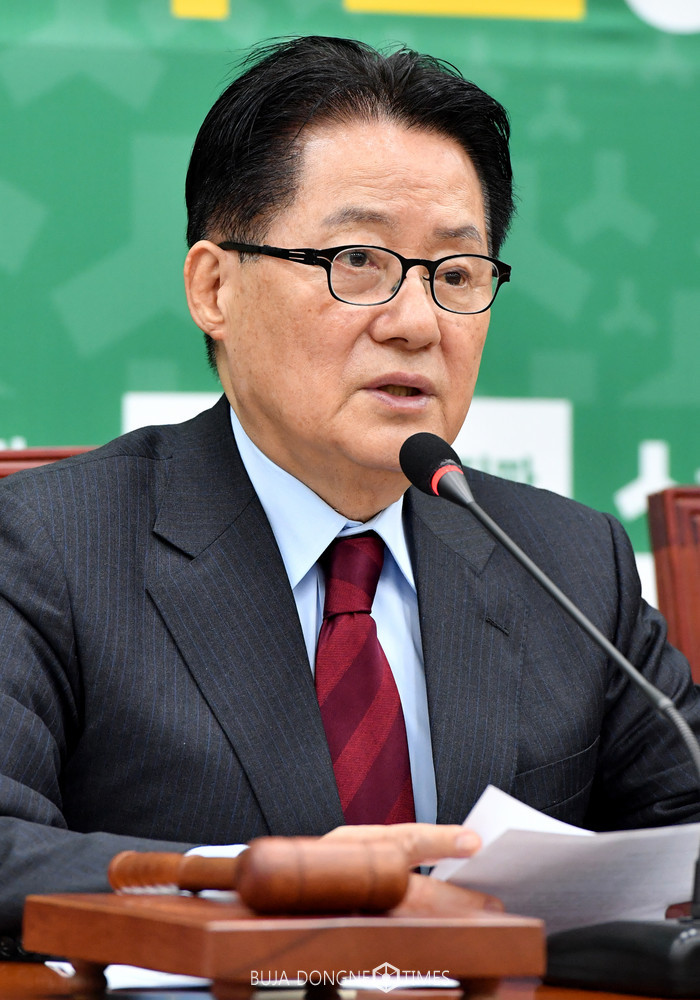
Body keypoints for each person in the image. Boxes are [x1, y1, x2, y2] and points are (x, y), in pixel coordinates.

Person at [1, 35, 699, 945]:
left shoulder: (568, 562)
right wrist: (251, 887)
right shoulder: (52, 547)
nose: (415, 323)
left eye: (456, 274)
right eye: (357, 261)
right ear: (215, 288)